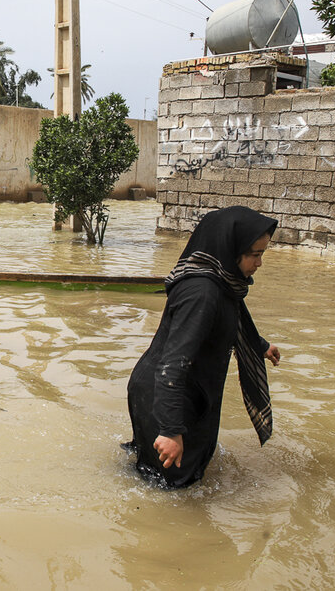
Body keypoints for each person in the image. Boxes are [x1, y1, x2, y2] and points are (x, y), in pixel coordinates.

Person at [125, 206, 282, 488]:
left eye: (262, 255)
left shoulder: (221, 280)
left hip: (181, 391)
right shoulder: (202, 292)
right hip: (170, 393)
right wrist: (171, 430)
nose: (259, 264)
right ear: (230, 249)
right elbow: (174, 362)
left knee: (163, 475)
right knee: (171, 490)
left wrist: (258, 345)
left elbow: (225, 321)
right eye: (255, 255)